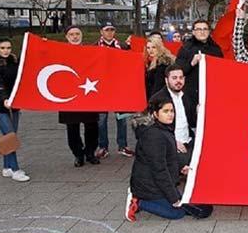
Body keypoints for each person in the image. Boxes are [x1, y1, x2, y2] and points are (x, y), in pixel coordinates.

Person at [125, 94, 213, 221]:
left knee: (190, 208)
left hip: (157, 183)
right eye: (165, 111)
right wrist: (173, 198)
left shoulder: (163, 128)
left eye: (172, 111)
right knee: (176, 213)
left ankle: (153, 200)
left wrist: (181, 166)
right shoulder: (153, 135)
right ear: (155, 114)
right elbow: (159, 169)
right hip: (149, 186)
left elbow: (169, 155)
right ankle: (138, 202)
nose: (170, 114)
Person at [0, 38, 30, 182]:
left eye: (8, 48)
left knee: (9, 136)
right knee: (10, 136)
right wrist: (4, 98)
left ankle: (7, 168)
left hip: (14, 104)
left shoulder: (14, 61)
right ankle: (16, 170)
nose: (6, 50)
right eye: (3, 48)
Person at [59, 26, 100, 167]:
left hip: (88, 94)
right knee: (72, 128)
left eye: (77, 34)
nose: (75, 36)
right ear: (66, 36)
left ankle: (90, 152)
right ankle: (78, 154)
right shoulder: (59, 52)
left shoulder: (90, 51)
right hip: (69, 97)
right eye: (71, 34)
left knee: (92, 127)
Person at [96, 22, 134, 159]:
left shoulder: (123, 47)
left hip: (119, 88)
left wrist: (132, 45)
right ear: (101, 32)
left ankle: (122, 145)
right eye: (107, 30)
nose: (109, 32)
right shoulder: (94, 47)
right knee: (101, 119)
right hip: (101, 89)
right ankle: (103, 147)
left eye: (112, 30)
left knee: (122, 119)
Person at [150, 65, 197, 167]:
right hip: (169, 147)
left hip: (189, 143)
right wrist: (172, 142)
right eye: (174, 78)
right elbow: (149, 128)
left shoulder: (187, 96)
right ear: (166, 80)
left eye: (181, 78)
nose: (178, 81)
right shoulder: (158, 99)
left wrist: (197, 112)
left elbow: (192, 122)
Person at [175, 20, 223, 104]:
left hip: (211, 90)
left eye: (205, 29)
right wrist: (191, 63)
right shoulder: (186, 48)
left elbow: (222, 69)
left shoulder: (216, 49)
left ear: (209, 32)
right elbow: (178, 70)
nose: (202, 32)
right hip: (191, 92)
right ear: (193, 32)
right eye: (199, 29)